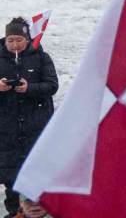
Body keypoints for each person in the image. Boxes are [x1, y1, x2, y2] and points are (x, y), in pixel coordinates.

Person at [1, 15, 58, 209]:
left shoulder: (42, 58)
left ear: (27, 40)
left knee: (39, 179)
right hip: (7, 133)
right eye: (11, 40)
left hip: (37, 128)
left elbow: (52, 85)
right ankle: (14, 211)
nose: (15, 44)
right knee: (12, 180)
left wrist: (29, 88)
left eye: (19, 40)